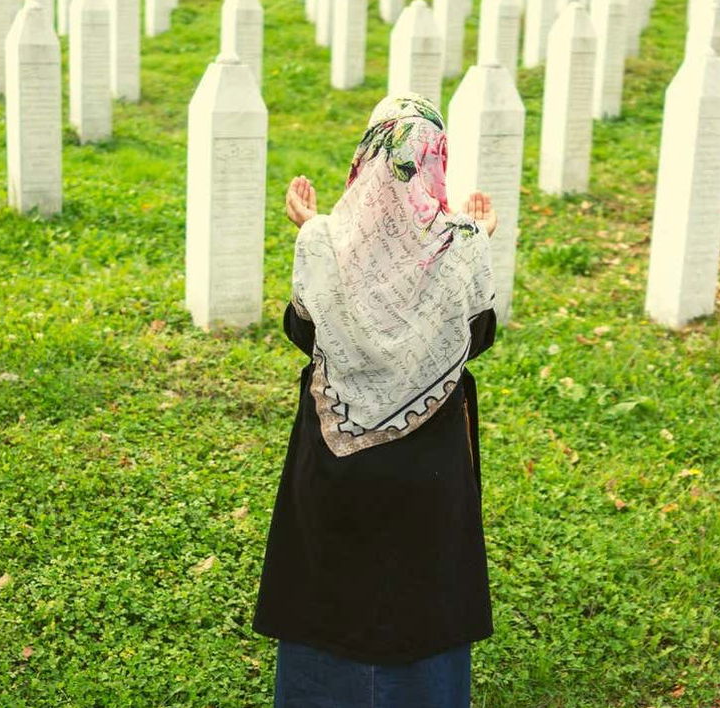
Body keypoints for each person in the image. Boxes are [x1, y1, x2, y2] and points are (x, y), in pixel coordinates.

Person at [251, 94, 500, 707]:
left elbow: (302, 332)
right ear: (437, 159)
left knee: (328, 590)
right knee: (422, 594)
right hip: (430, 468)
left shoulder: (321, 242)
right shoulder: (463, 246)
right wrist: (478, 238)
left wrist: (310, 229)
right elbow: (480, 336)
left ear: (366, 156)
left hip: (334, 464)